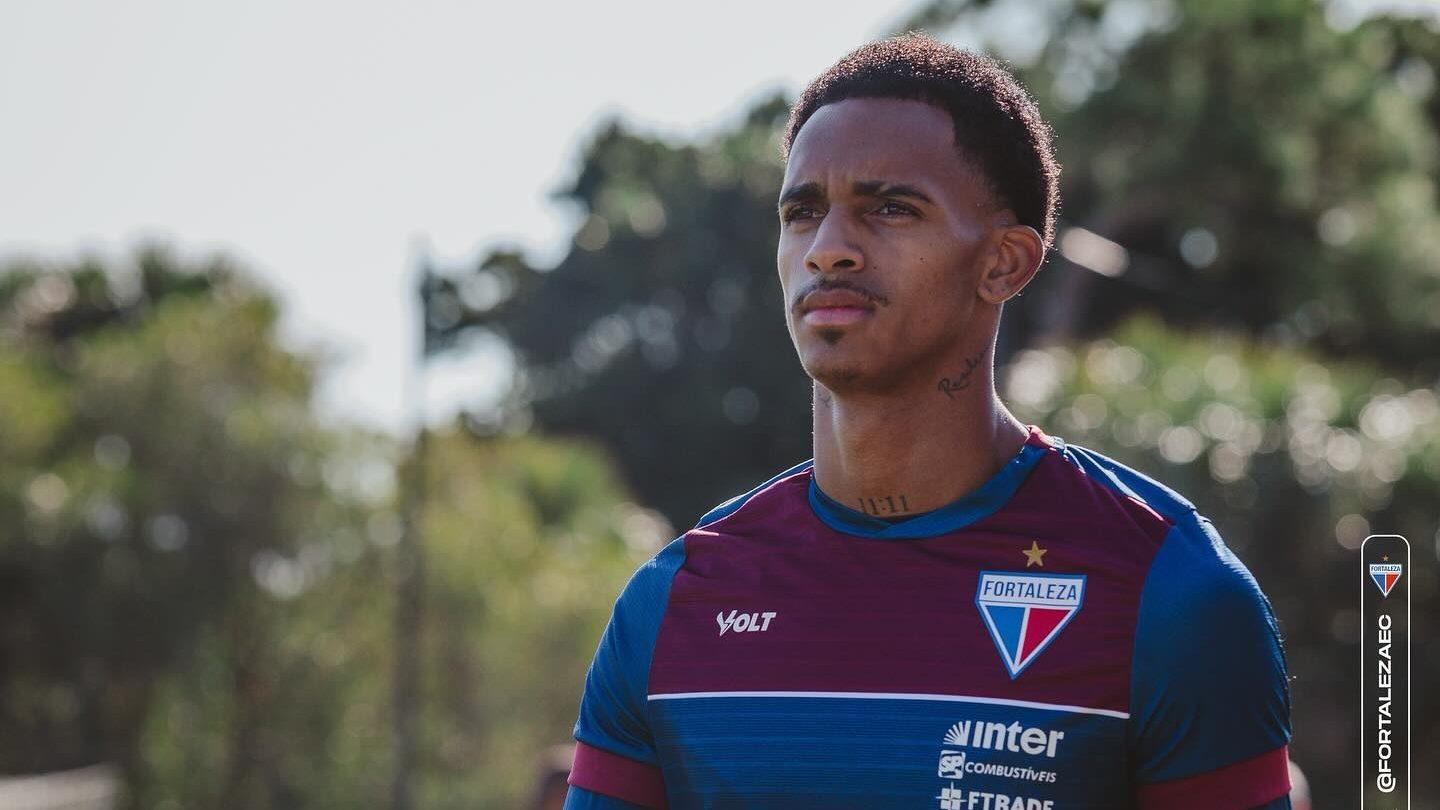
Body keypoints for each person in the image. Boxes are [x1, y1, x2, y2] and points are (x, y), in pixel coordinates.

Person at [564, 33, 1292, 809]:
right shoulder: (672, 604)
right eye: (802, 212)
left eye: (890, 209)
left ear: (1004, 263)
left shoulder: (1172, 594)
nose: (828, 250)